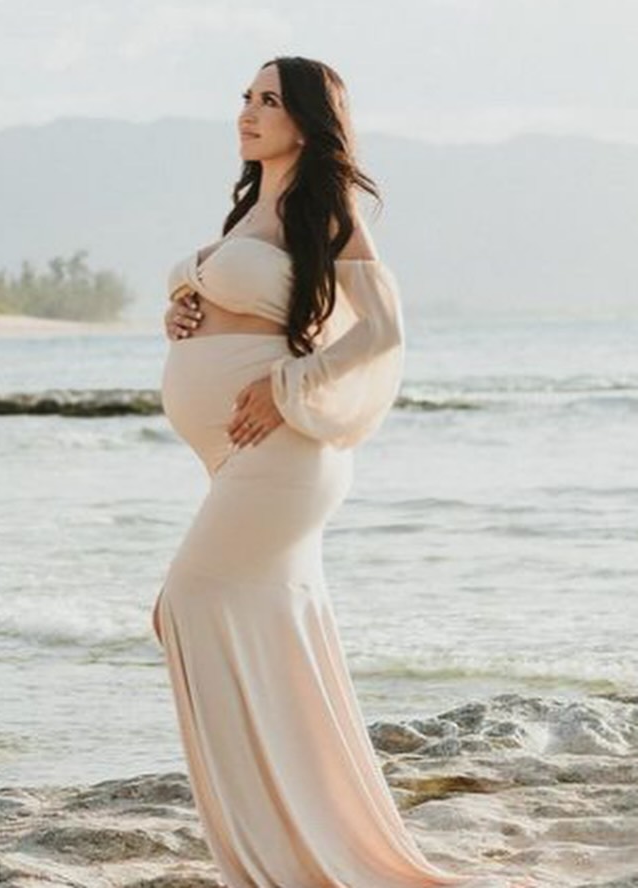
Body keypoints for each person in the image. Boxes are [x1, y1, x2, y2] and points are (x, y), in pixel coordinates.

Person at [153, 56, 475, 888]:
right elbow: (244, 304)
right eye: (246, 98)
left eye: (269, 100)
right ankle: (287, 835)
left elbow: (384, 331)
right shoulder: (252, 207)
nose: (248, 112)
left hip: (283, 455)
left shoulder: (321, 204)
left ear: (307, 119)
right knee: (255, 634)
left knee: (185, 605)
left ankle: (281, 842)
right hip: (236, 456)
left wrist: (288, 385)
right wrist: (182, 306)